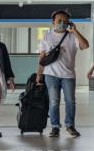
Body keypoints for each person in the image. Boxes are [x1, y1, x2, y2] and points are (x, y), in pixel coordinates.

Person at [36, 10, 89, 138]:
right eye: (59, 20)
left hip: (68, 75)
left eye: (65, 21)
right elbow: (42, 57)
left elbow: (85, 45)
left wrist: (75, 31)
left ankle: (70, 125)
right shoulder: (47, 36)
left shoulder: (72, 36)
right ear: (53, 22)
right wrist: (39, 73)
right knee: (54, 102)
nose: (62, 23)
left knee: (70, 101)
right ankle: (55, 127)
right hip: (51, 74)